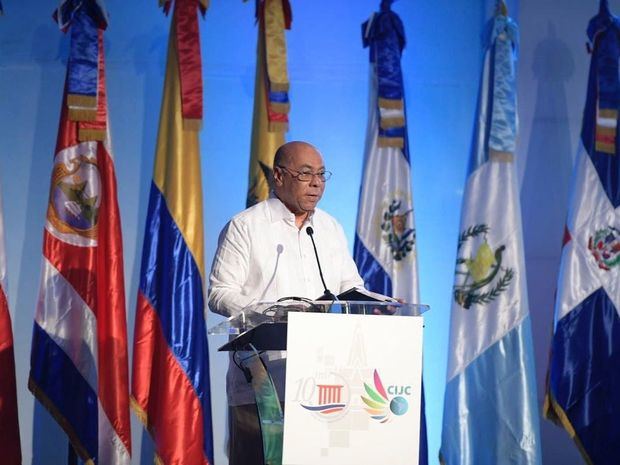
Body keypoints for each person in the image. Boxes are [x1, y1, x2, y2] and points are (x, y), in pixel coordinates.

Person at [208, 141, 364, 465]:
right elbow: (219, 292)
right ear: (278, 176)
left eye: (322, 174)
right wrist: (271, 313)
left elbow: (352, 287)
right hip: (261, 380)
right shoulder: (245, 227)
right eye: (305, 174)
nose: (316, 183)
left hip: (324, 380)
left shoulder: (330, 228)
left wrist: (379, 304)